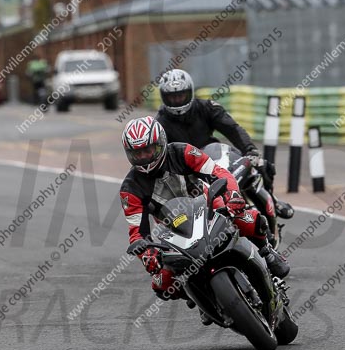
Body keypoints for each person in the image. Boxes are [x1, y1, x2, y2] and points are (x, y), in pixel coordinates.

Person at [119, 116, 289, 309]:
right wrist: (147, 255)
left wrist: (233, 195)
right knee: (162, 284)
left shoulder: (183, 152)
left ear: (161, 143)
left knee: (248, 219)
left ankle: (267, 251)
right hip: (173, 229)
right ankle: (200, 297)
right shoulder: (130, 188)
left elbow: (220, 173)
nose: (144, 157)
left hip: (209, 204)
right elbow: (137, 233)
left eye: (148, 150)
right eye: (137, 153)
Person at [154, 69, 293, 229]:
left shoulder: (207, 107)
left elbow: (232, 129)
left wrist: (250, 150)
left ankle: (273, 202)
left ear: (190, 92)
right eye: (172, 97)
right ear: (164, 97)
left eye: (181, 95)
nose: (177, 100)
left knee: (261, 164)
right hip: (187, 171)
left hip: (215, 157)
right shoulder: (160, 123)